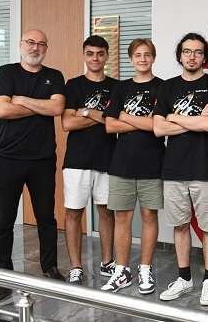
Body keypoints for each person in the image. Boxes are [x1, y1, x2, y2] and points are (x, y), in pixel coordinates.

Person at [0, 29, 66, 301]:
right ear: (21, 44)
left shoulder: (54, 76)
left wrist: (21, 100)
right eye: (30, 42)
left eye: (41, 44)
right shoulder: (6, 72)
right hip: (7, 158)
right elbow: (1, 110)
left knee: (46, 218)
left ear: (46, 48)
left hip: (42, 159)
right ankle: (2, 277)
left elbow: (57, 109)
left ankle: (50, 268)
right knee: (3, 219)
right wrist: (40, 106)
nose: (35, 48)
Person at [153, 32, 208, 306]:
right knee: (180, 225)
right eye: (187, 51)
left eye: (197, 52)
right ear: (179, 56)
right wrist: (191, 120)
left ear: (204, 57)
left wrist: (174, 116)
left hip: (203, 168)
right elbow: (158, 129)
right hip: (173, 169)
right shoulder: (168, 87)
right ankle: (184, 278)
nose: (192, 56)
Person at [101, 38, 165, 294]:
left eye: (147, 54)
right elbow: (109, 125)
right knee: (122, 217)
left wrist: (126, 116)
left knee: (149, 216)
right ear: (130, 59)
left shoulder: (163, 87)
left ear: (153, 58)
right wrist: (142, 121)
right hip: (122, 164)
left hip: (153, 162)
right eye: (138, 55)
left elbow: (158, 126)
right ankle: (122, 271)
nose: (142, 59)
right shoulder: (121, 88)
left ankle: (145, 269)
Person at [61, 35, 118, 285]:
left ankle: (107, 262)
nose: (95, 58)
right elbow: (67, 123)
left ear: (106, 56)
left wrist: (85, 112)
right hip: (77, 161)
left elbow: (114, 122)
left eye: (100, 53)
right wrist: (100, 116)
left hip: (108, 159)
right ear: (84, 55)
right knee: (74, 213)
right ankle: (76, 266)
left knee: (106, 212)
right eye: (90, 53)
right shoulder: (73, 85)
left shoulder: (117, 87)